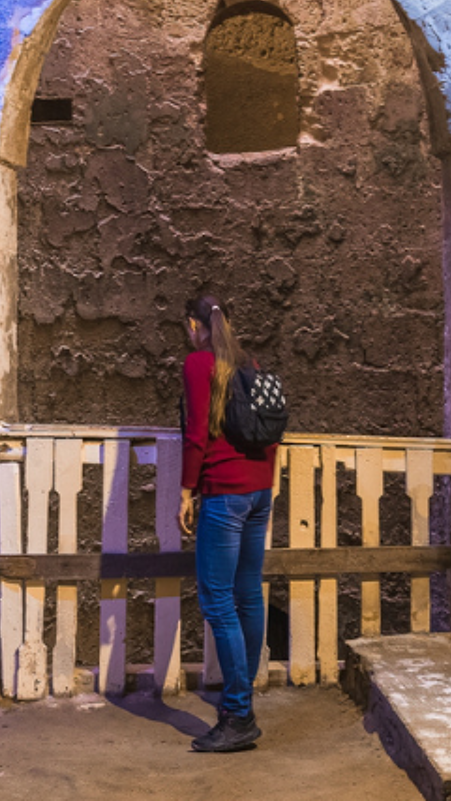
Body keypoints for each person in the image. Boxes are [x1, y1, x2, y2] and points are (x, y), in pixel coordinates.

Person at [178, 294, 276, 753]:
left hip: (225, 494)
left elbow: (197, 432)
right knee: (248, 593)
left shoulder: (200, 364)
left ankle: (238, 713)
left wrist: (185, 490)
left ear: (195, 325)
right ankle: (241, 700)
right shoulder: (248, 362)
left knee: (217, 600)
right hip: (259, 491)